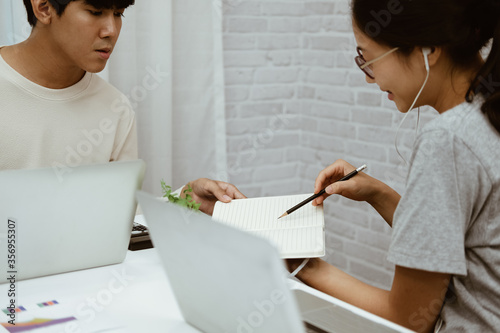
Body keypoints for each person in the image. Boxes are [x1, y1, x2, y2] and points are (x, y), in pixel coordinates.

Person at [288, 0, 500, 332]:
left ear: (427, 51)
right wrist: (378, 194)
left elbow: (406, 318)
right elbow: (462, 239)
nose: (370, 79)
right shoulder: (488, 113)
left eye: (369, 59)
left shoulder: (447, 140)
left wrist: (300, 264)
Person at [0, 0, 244, 215]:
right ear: (44, 7)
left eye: (118, 13)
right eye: (96, 11)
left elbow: (120, 219)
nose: (111, 31)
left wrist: (183, 202)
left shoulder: (115, 108)